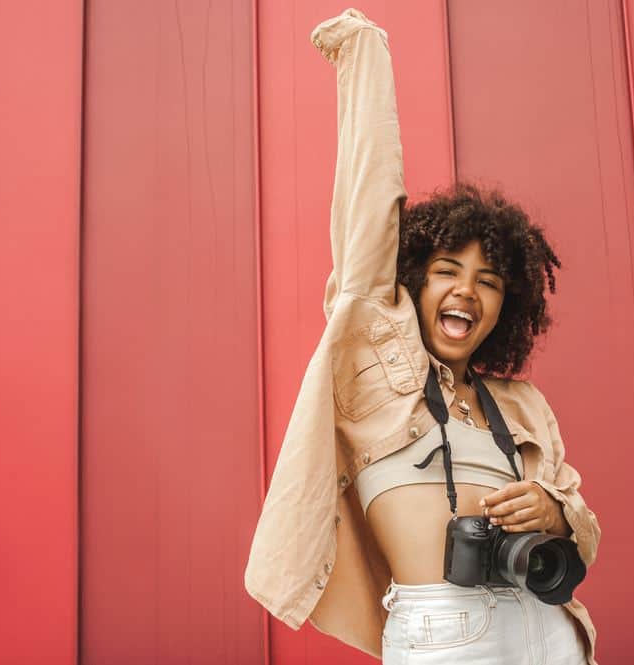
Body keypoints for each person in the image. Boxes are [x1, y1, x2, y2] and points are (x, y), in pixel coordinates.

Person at [245, 9, 601, 664]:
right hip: (446, 629)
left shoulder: (522, 405)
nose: (465, 289)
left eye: (488, 280)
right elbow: (370, 210)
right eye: (446, 271)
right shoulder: (378, 370)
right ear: (412, 283)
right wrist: (363, 56)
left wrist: (551, 513)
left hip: (548, 622)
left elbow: (583, 525)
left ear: (507, 305)